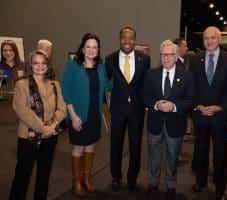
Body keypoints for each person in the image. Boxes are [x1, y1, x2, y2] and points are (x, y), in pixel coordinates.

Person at [189, 26, 227, 200]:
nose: (209, 41)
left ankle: (220, 188)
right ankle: (200, 182)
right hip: (200, 113)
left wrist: (219, 106)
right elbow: (191, 87)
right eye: (206, 38)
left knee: (221, 153)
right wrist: (197, 105)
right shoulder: (195, 59)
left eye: (212, 38)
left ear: (220, 39)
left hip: (220, 115)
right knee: (200, 151)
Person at [9, 50, 66, 200]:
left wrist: (53, 126)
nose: (40, 66)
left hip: (50, 136)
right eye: (36, 63)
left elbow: (62, 108)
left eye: (43, 63)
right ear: (30, 65)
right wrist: (43, 128)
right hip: (28, 136)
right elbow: (22, 110)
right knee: (22, 175)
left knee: (44, 175)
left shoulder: (55, 84)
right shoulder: (22, 85)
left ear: (48, 65)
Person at [142, 39, 194, 200]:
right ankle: (153, 183)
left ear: (176, 55)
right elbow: (144, 96)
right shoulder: (151, 74)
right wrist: (156, 104)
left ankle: (171, 186)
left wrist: (175, 106)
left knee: (172, 158)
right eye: (163, 55)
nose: (166, 58)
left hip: (175, 124)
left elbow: (191, 99)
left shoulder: (187, 75)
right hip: (155, 123)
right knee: (154, 157)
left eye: (170, 55)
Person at [62, 33, 112, 198]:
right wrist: (73, 115)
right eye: (88, 47)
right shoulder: (72, 65)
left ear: (98, 50)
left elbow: (108, 86)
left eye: (94, 47)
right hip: (78, 115)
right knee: (79, 148)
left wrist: (127, 84)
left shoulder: (100, 67)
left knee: (91, 146)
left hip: (94, 115)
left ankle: (86, 178)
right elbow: (66, 90)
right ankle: (76, 181)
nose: (91, 50)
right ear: (82, 48)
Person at [105, 26, 150, 192]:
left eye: (131, 37)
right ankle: (116, 177)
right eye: (124, 37)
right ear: (119, 39)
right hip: (117, 109)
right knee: (115, 144)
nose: (127, 41)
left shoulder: (144, 59)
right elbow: (105, 81)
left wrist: (146, 104)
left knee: (136, 145)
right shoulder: (109, 59)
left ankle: (132, 178)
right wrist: (113, 94)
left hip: (137, 110)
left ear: (135, 40)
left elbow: (145, 84)